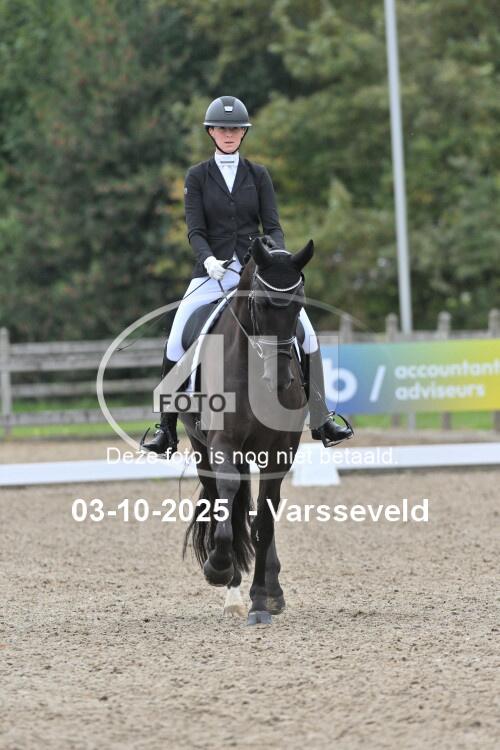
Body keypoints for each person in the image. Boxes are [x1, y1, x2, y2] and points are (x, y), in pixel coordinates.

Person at [141, 95, 353, 455]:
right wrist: (208, 259)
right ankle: (166, 427)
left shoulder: (258, 175)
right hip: (211, 274)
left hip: (258, 272)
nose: (229, 134)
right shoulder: (197, 176)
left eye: (235, 129)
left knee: (308, 335)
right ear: (211, 132)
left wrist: (278, 260)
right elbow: (195, 230)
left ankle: (321, 417)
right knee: (177, 337)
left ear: (243, 133)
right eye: (222, 128)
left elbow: (273, 225)